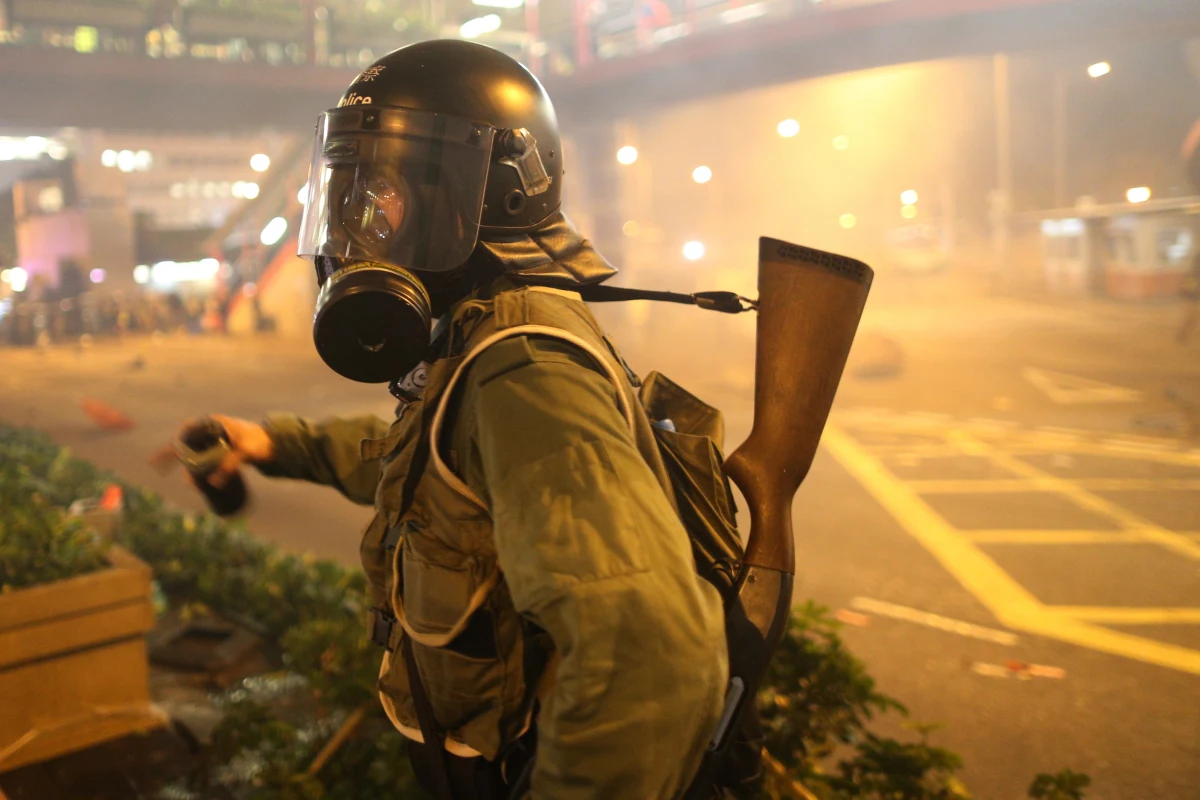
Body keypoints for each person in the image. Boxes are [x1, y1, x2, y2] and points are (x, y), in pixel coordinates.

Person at [185, 40, 729, 799]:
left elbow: (649, 656)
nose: (357, 228)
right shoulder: (477, 336)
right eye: (351, 191)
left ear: (486, 198)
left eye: (383, 191)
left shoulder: (525, 372)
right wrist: (281, 443)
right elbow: (437, 473)